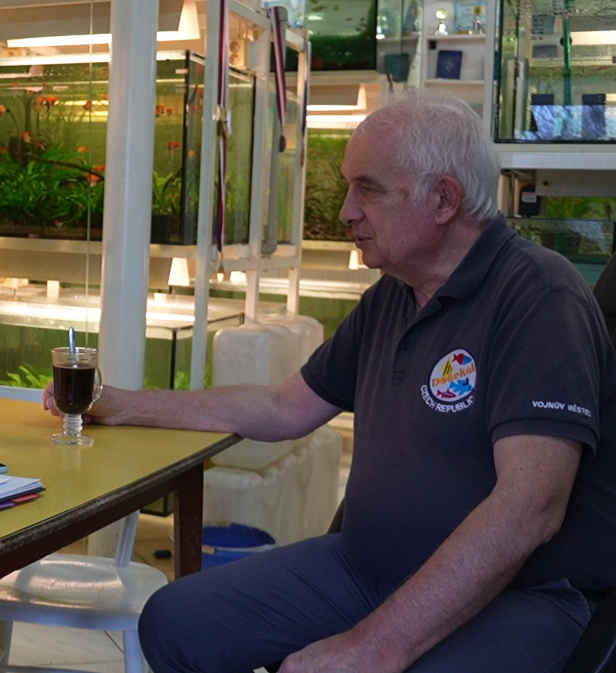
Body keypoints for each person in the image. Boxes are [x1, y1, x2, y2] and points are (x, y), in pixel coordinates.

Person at [46, 96, 616, 673]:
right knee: (176, 621)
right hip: (366, 568)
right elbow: (283, 407)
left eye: (367, 190)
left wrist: (375, 645)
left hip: (516, 596)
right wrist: (123, 404)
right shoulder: (393, 296)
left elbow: (529, 506)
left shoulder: (540, 296)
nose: (346, 212)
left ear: (444, 199)